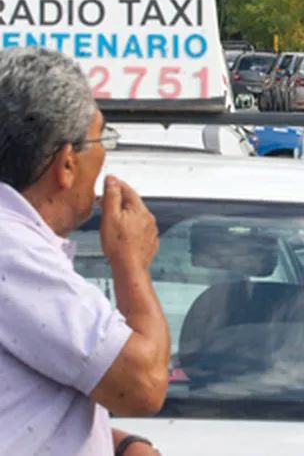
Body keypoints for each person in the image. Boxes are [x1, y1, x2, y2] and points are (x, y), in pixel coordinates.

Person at [0, 47, 169, 456]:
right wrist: (131, 264)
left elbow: (21, 407)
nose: (105, 154)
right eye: (101, 138)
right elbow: (143, 383)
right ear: (67, 163)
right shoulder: (13, 255)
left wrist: (115, 441)